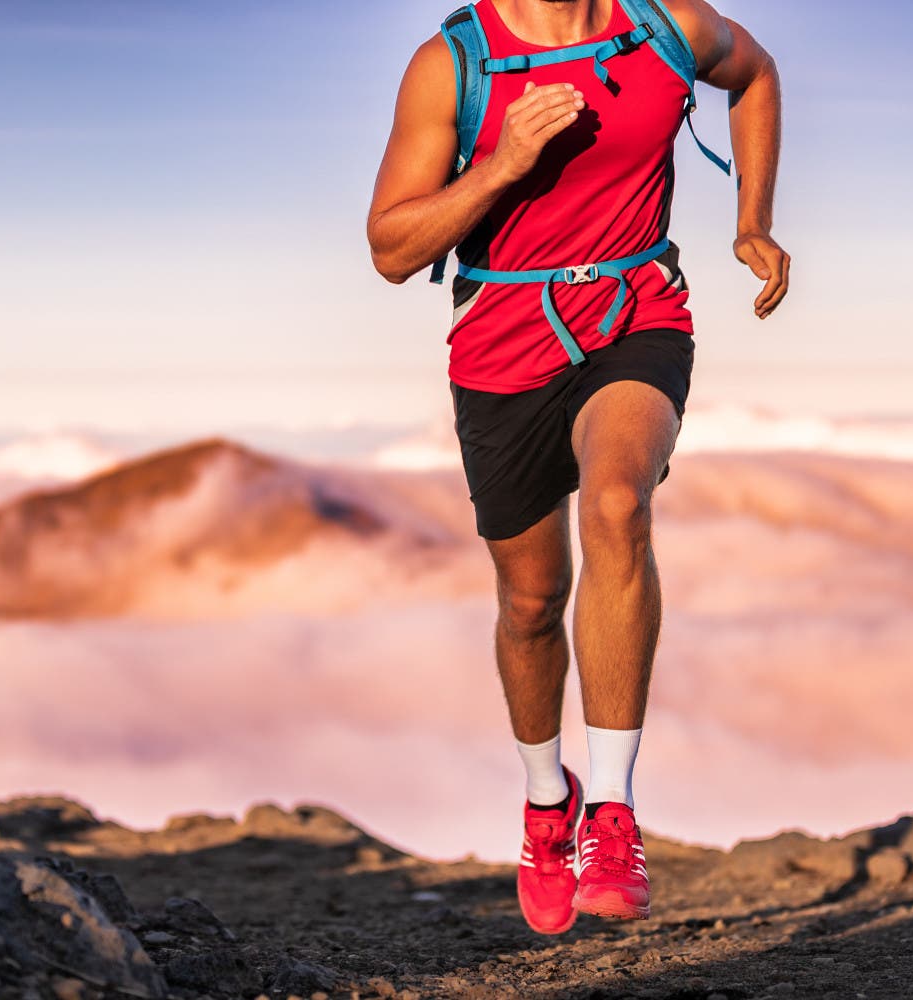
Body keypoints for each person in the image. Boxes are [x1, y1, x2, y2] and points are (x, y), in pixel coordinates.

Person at [366, 0, 788, 934]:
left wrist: (751, 218)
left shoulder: (668, 25)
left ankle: (612, 809)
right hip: (502, 339)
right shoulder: (454, 63)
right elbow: (392, 249)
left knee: (617, 504)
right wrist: (501, 166)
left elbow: (755, 76)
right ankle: (545, 801)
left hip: (637, 309)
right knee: (528, 603)